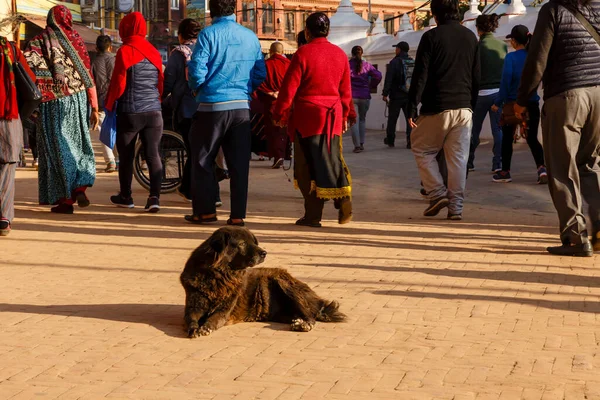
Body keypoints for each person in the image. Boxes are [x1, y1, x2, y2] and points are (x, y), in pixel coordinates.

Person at [516, 0, 600, 256]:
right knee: (590, 163)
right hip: (598, 94)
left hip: (567, 95)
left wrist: (521, 100)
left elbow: (537, 59)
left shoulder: (553, 10)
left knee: (562, 167)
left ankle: (575, 237)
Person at [186, 0, 266, 226]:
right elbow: (260, 72)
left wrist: (197, 89)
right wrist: (245, 89)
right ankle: (238, 215)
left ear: (212, 10)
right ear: (234, 10)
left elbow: (196, 70)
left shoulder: (208, 34)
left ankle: (205, 212)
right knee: (239, 164)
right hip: (241, 107)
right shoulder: (250, 37)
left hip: (211, 107)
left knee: (203, 160)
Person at [272, 12, 356, 228]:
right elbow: (346, 91)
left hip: (307, 117)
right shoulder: (339, 55)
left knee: (306, 165)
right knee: (332, 159)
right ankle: (342, 198)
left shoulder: (303, 54)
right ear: (328, 31)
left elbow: (288, 89)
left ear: (307, 32)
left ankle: (313, 215)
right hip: (333, 116)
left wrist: (280, 113)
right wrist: (347, 113)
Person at [407, 0, 480, 221]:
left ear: (434, 14)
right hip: (463, 106)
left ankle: (437, 193)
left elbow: (421, 75)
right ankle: (456, 208)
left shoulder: (431, 37)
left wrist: (412, 106)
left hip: (436, 106)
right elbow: (477, 77)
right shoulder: (470, 37)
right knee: (458, 159)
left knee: (422, 148)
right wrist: (471, 105)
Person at [24, 5, 98, 214]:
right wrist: (94, 106)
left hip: (53, 101)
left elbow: (29, 70)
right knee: (78, 142)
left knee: (57, 149)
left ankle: (65, 198)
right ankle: (81, 185)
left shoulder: (39, 40)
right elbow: (87, 75)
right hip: (78, 98)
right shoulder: (76, 39)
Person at [105, 12, 164, 213]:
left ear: (125, 28)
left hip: (130, 112)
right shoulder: (155, 52)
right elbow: (160, 83)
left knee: (127, 156)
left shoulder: (125, 51)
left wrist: (110, 104)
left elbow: (119, 83)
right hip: (154, 112)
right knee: (153, 154)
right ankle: (154, 197)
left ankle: (126, 196)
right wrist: (155, 101)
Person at [491, 25, 546, 185]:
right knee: (532, 138)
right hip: (532, 103)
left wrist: (497, 103)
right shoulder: (534, 57)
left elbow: (505, 83)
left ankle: (505, 171)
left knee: (508, 138)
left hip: (512, 105)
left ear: (514, 41)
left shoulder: (511, 58)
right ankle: (541, 168)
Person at [0, 36, 36, 235]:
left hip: (9, 115)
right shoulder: (9, 48)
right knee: (7, 168)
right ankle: (4, 217)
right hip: (8, 115)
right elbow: (31, 79)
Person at [163, 18, 201, 202]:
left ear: (181, 35)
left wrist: (162, 96)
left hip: (186, 108)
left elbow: (168, 81)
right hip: (206, 105)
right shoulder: (204, 49)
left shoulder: (178, 54)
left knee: (194, 150)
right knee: (200, 149)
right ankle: (191, 188)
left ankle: (189, 188)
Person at [468, 14, 506, 173]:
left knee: (473, 131)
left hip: (480, 94)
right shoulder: (502, 45)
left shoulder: (476, 47)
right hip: (498, 93)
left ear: (478, 28)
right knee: (498, 131)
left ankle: (469, 162)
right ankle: (497, 164)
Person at [254, 42, 292, 169]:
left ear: (270, 51)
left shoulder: (266, 65)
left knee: (273, 130)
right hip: (287, 102)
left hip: (271, 102)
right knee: (284, 129)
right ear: (282, 52)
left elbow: (258, 84)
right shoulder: (289, 65)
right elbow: (295, 82)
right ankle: (286, 153)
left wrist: (270, 92)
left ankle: (278, 156)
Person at [91, 35, 118, 173]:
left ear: (96, 48)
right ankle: (119, 159)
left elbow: (92, 84)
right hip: (117, 100)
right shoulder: (116, 60)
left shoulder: (93, 62)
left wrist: (93, 106)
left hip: (101, 101)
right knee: (118, 129)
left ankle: (111, 161)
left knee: (103, 131)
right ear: (110, 47)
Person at [349, 45, 382, 153]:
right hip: (365, 95)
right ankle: (362, 143)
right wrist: (371, 85)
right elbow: (378, 75)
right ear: (361, 53)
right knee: (362, 120)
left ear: (352, 54)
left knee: (354, 121)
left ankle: (357, 145)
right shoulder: (367, 65)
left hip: (352, 96)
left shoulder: (348, 65)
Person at [382, 41, 414, 149]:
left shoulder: (394, 62)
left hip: (396, 96)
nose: (395, 50)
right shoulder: (412, 61)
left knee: (392, 119)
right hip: (409, 96)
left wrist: (385, 93)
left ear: (399, 50)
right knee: (410, 118)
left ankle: (390, 140)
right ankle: (411, 141)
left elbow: (389, 79)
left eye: (396, 48)